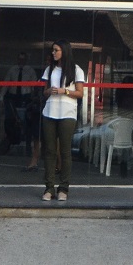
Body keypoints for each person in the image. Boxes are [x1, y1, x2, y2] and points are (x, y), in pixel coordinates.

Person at [39, 41, 84, 202]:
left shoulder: (76, 70)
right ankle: (49, 187)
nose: (53, 53)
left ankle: (64, 188)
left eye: (56, 50)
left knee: (65, 151)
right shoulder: (50, 69)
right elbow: (44, 92)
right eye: (53, 50)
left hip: (67, 113)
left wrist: (64, 91)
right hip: (50, 111)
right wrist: (49, 90)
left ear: (64, 51)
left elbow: (80, 93)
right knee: (50, 151)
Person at [3, 52, 40, 169]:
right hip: (14, 97)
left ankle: (28, 146)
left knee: (27, 123)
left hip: (26, 97)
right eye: (19, 59)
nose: (21, 61)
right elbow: (6, 84)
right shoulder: (12, 70)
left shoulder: (30, 70)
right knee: (13, 121)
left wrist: (34, 98)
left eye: (23, 59)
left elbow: (35, 85)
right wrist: (1, 97)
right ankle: (11, 142)